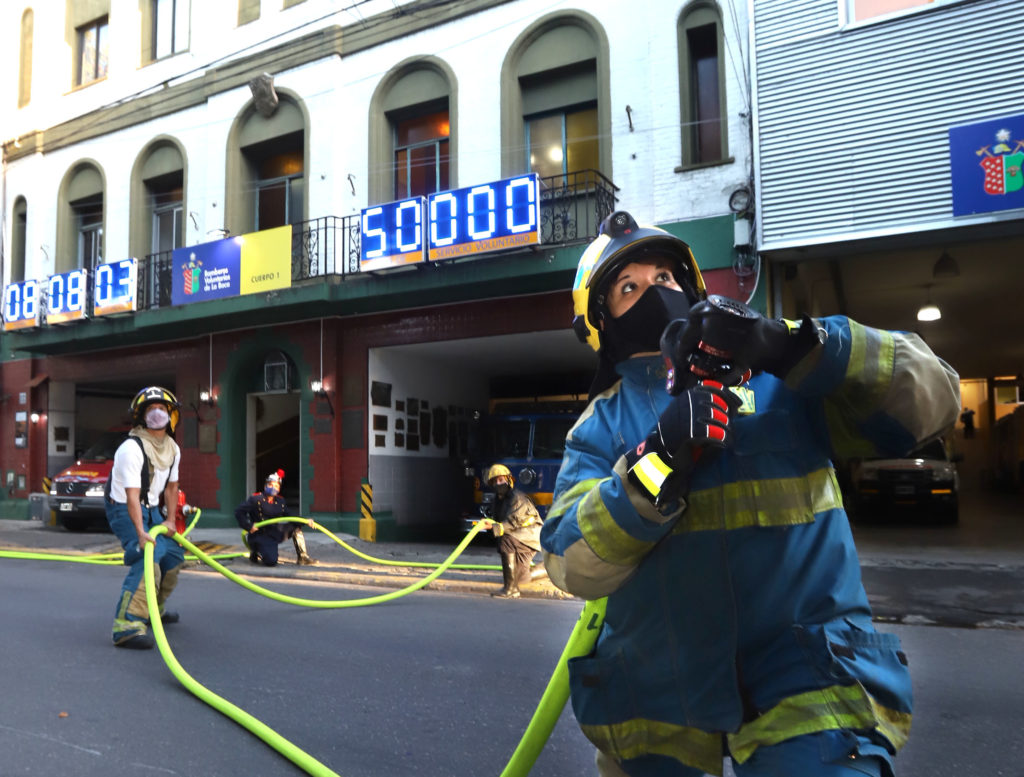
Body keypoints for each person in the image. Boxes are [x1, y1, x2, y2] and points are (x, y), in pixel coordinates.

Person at [540, 211, 961, 777]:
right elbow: (572, 564)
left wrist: (797, 346)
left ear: (690, 290)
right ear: (602, 322)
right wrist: (655, 463)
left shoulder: (783, 380)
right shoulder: (599, 426)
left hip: (809, 684)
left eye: (664, 279)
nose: (654, 292)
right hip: (658, 699)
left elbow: (935, 399)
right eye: (629, 287)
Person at [106, 386, 185, 650]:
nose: (157, 414)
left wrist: (171, 520)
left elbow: (172, 488)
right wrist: (141, 533)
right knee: (148, 554)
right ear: (141, 416)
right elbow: (131, 496)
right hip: (124, 509)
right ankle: (126, 625)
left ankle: (153, 608)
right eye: (150, 409)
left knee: (173, 556)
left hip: (152, 508)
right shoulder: (132, 448)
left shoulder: (172, 449)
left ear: (172, 415)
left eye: (162, 409)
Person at [479, 464, 544, 599]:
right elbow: (497, 519)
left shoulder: (517, 498)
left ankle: (511, 590)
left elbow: (512, 522)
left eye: (501, 480)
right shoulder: (498, 499)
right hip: (519, 535)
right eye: (495, 481)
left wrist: (494, 528)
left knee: (506, 540)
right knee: (521, 578)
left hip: (529, 535)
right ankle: (549, 569)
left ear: (509, 481)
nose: (498, 484)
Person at [234, 470, 317, 566]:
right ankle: (256, 550)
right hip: (260, 535)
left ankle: (303, 557)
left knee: (295, 525)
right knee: (271, 562)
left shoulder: (280, 501)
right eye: (270, 485)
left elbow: (290, 515)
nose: (273, 488)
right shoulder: (256, 499)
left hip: (275, 532)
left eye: (276, 486)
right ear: (265, 486)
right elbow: (239, 512)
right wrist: (249, 526)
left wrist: (305, 521)